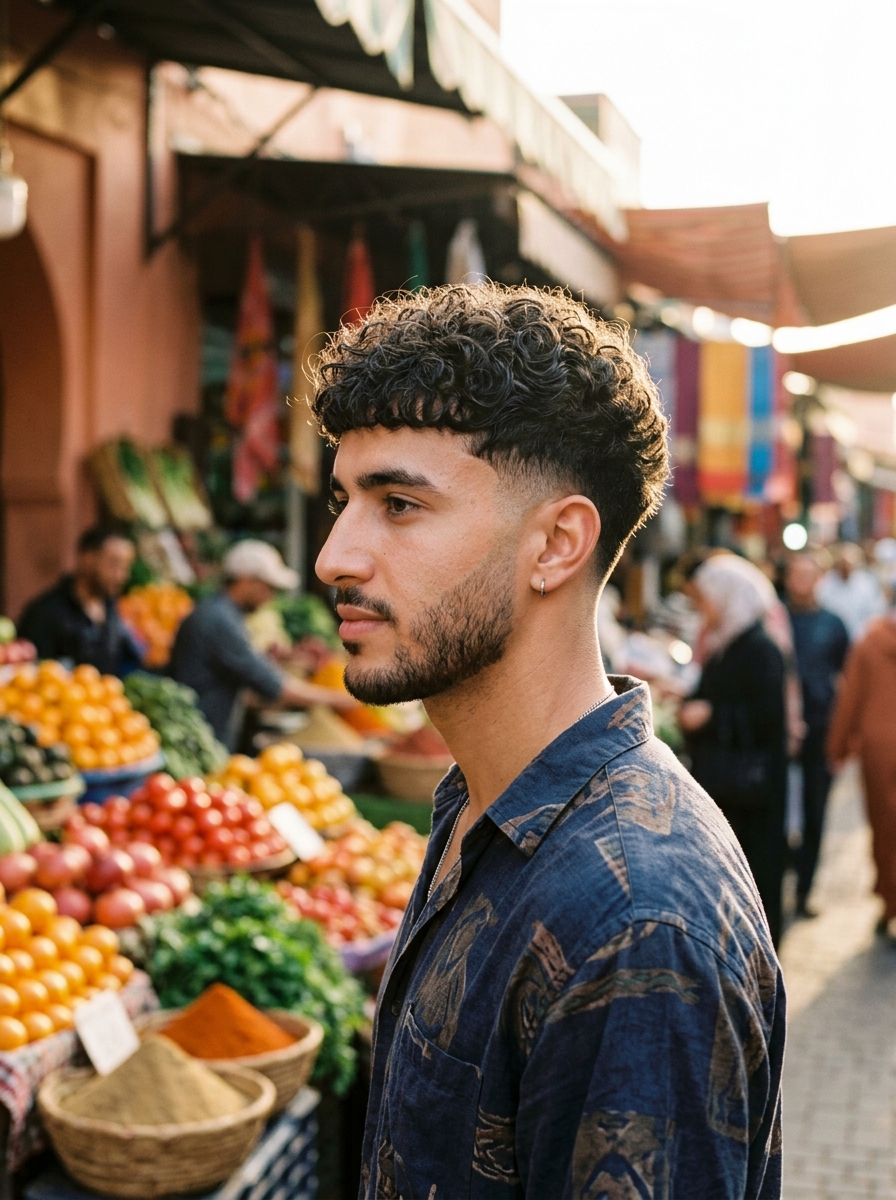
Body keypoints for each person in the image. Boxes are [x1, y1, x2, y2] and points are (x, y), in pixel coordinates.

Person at [312, 284, 784, 1199]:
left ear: (557, 544)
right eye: (344, 500)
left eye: (400, 504)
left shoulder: (640, 926)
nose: (336, 555)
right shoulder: (484, 799)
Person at [679, 553, 788, 946]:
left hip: (752, 795)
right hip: (730, 789)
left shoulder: (760, 649)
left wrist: (710, 714)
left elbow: (767, 718)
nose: (700, 607)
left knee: (754, 878)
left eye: (704, 598)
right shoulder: (725, 644)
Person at [169, 540, 354, 747]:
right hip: (200, 739)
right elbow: (275, 685)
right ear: (247, 580)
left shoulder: (223, 613)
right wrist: (345, 700)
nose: (271, 596)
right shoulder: (218, 620)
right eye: (269, 587)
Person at [784, 552, 849, 917]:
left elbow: (846, 678)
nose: (803, 581)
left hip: (820, 730)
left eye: (810, 574)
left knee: (814, 810)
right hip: (780, 732)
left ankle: (805, 889)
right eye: (797, 574)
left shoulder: (833, 625)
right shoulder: (775, 620)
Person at [827, 611, 896, 934]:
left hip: (878, 748)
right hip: (878, 746)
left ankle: (889, 899)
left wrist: (837, 746)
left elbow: (851, 694)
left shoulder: (871, 641)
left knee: (884, 826)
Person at [18, 526, 142, 676]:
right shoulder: (45, 613)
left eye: (125, 567)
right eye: (114, 563)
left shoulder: (112, 609)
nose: (121, 575)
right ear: (88, 558)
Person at [816, 542, 885, 641]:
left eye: (848, 563)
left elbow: (875, 613)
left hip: (860, 639)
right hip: (832, 638)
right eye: (842, 563)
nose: (845, 566)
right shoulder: (825, 583)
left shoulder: (867, 583)